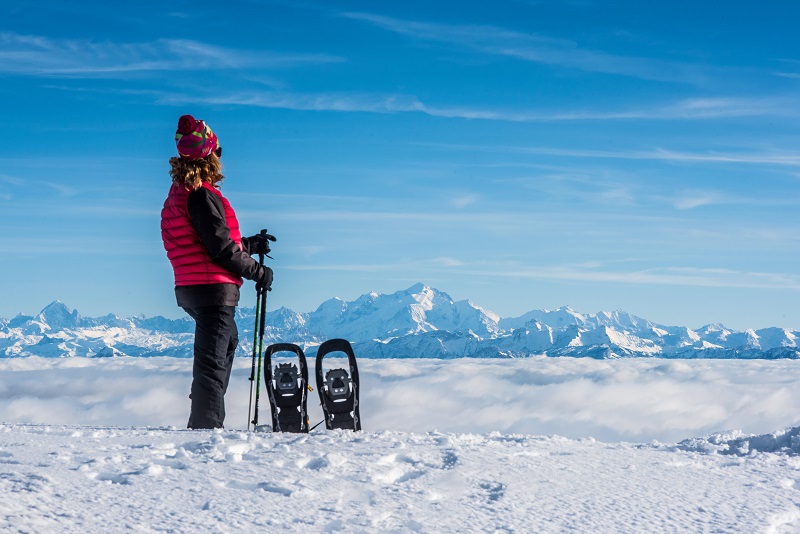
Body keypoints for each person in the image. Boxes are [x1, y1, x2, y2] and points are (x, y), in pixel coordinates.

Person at [161, 114, 273, 429]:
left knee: (226, 343)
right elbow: (220, 249)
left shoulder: (181, 193)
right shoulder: (200, 195)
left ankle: (208, 420)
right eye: (218, 153)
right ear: (209, 155)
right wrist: (258, 273)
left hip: (193, 286)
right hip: (211, 290)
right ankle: (206, 430)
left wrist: (249, 244)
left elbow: (206, 241)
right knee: (211, 365)